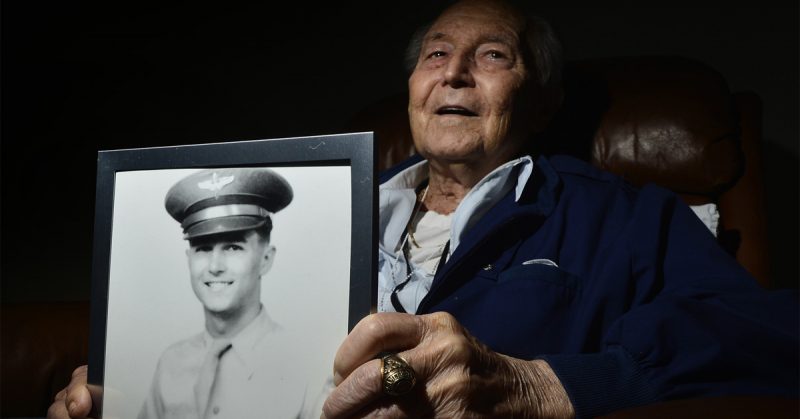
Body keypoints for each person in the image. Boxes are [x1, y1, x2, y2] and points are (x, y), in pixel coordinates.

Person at [49, 1, 798, 418]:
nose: (457, 74)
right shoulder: (320, 213)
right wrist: (129, 384)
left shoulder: (621, 215)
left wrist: (548, 385)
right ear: (411, 87)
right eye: (436, 55)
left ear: (542, 99)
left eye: (493, 55)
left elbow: (768, 335)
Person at [134, 167, 316, 419]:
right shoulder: (171, 363)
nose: (215, 266)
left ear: (266, 259)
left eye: (233, 246)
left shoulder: (304, 364)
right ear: (188, 258)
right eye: (203, 248)